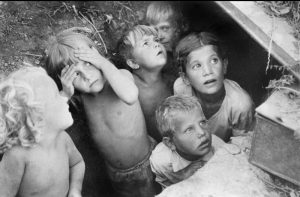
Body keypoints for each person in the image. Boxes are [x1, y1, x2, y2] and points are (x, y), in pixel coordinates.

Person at [43, 30, 156, 197]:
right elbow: (50, 120)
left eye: (88, 64)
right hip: (116, 173)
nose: (87, 77)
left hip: (146, 164)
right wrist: (66, 93)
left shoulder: (120, 77)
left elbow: (131, 96)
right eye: (76, 75)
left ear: (97, 57)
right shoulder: (82, 98)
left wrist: (103, 63)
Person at [0, 65, 85, 197]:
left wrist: (75, 190)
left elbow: (78, 163)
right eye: (57, 96)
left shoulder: (63, 139)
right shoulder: (17, 155)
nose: (65, 98)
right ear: (37, 118)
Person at [173, 32, 255, 142]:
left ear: (224, 65)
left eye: (213, 60)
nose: (208, 71)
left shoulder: (240, 105)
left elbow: (242, 147)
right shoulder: (181, 88)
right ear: (185, 78)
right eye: (197, 66)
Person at [150, 95, 225, 189]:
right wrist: (183, 179)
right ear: (170, 143)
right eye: (189, 129)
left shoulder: (219, 150)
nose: (202, 132)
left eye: (202, 122)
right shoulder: (160, 161)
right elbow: (165, 186)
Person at [118, 25, 175, 143]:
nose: (156, 44)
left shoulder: (172, 82)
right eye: (145, 43)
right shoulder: (131, 84)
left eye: (156, 40)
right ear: (133, 63)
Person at [145, 1, 189, 78]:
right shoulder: (154, 57)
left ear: (177, 27)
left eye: (164, 28)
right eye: (154, 30)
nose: (159, 36)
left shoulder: (190, 50)